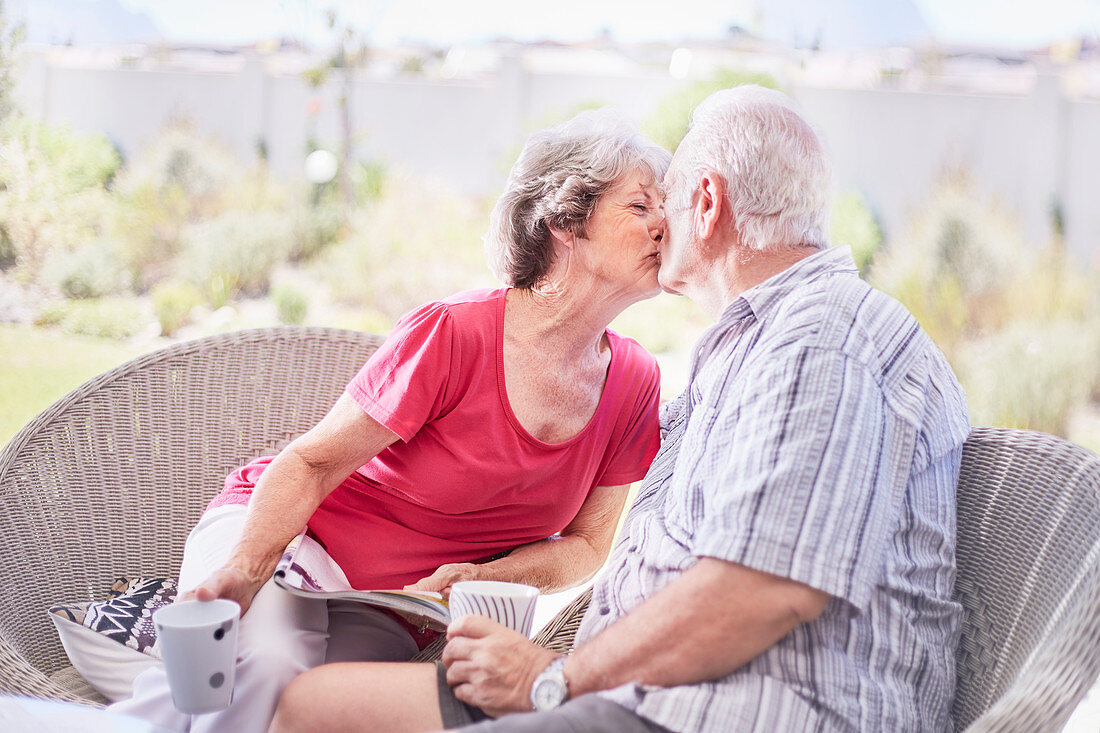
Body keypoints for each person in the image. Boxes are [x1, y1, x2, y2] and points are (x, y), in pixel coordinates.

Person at [269, 85, 972, 733]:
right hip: (640, 686)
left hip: (731, 708)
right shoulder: (748, 347)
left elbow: (762, 591)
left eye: (661, 200)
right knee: (312, 707)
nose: (661, 224)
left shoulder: (822, 339)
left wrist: (553, 676)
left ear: (707, 202)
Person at [108, 109, 671, 733]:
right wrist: (243, 572)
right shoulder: (456, 333)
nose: (663, 226)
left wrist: (485, 576)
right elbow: (312, 462)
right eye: (641, 206)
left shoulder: (635, 381)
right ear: (567, 221)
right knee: (269, 668)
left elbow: (589, 548)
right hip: (289, 539)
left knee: (326, 708)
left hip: (394, 605)